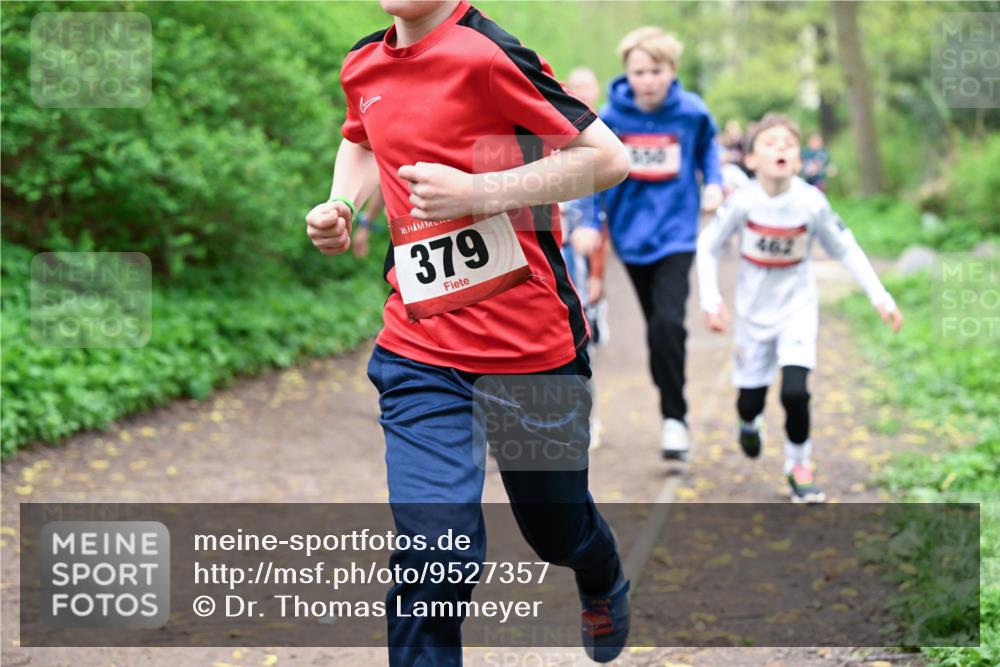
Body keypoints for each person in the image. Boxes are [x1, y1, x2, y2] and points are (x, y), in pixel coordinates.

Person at [304, 1, 631, 664]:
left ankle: (600, 575)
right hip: (419, 351)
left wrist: (479, 193)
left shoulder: (488, 56)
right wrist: (343, 204)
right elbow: (362, 139)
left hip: (530, 351)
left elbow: (606, 158)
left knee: (557, 529)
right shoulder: (364, 63)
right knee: (434, 551)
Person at [695, 113, 903, 503]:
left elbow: (845, 247)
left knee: (795, 393)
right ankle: (749, 421)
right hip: (753, 318)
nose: (781, 149)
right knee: (750, 400)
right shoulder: (743, 202)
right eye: (770, 143)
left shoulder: (811, 202)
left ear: (799, 158)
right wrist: (711, 300)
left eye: (788, 143)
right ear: (752, 159)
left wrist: (881, 297)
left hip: (797, 312)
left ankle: (799, 466)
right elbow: (707, 247)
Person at [583, 26, 724, 461]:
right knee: (656, 328)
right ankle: (670, 402)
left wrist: (715, 183)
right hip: (631, 235)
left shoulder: (691, 112)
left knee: (668, 324)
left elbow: (709, 150)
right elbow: (593, 172)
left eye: (656, 71)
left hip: (677, 233)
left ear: (672, 71)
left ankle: (674, 418)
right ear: (627, 73)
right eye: (639, 71)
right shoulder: (611, 116)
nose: (647, 80)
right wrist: (590, 221)